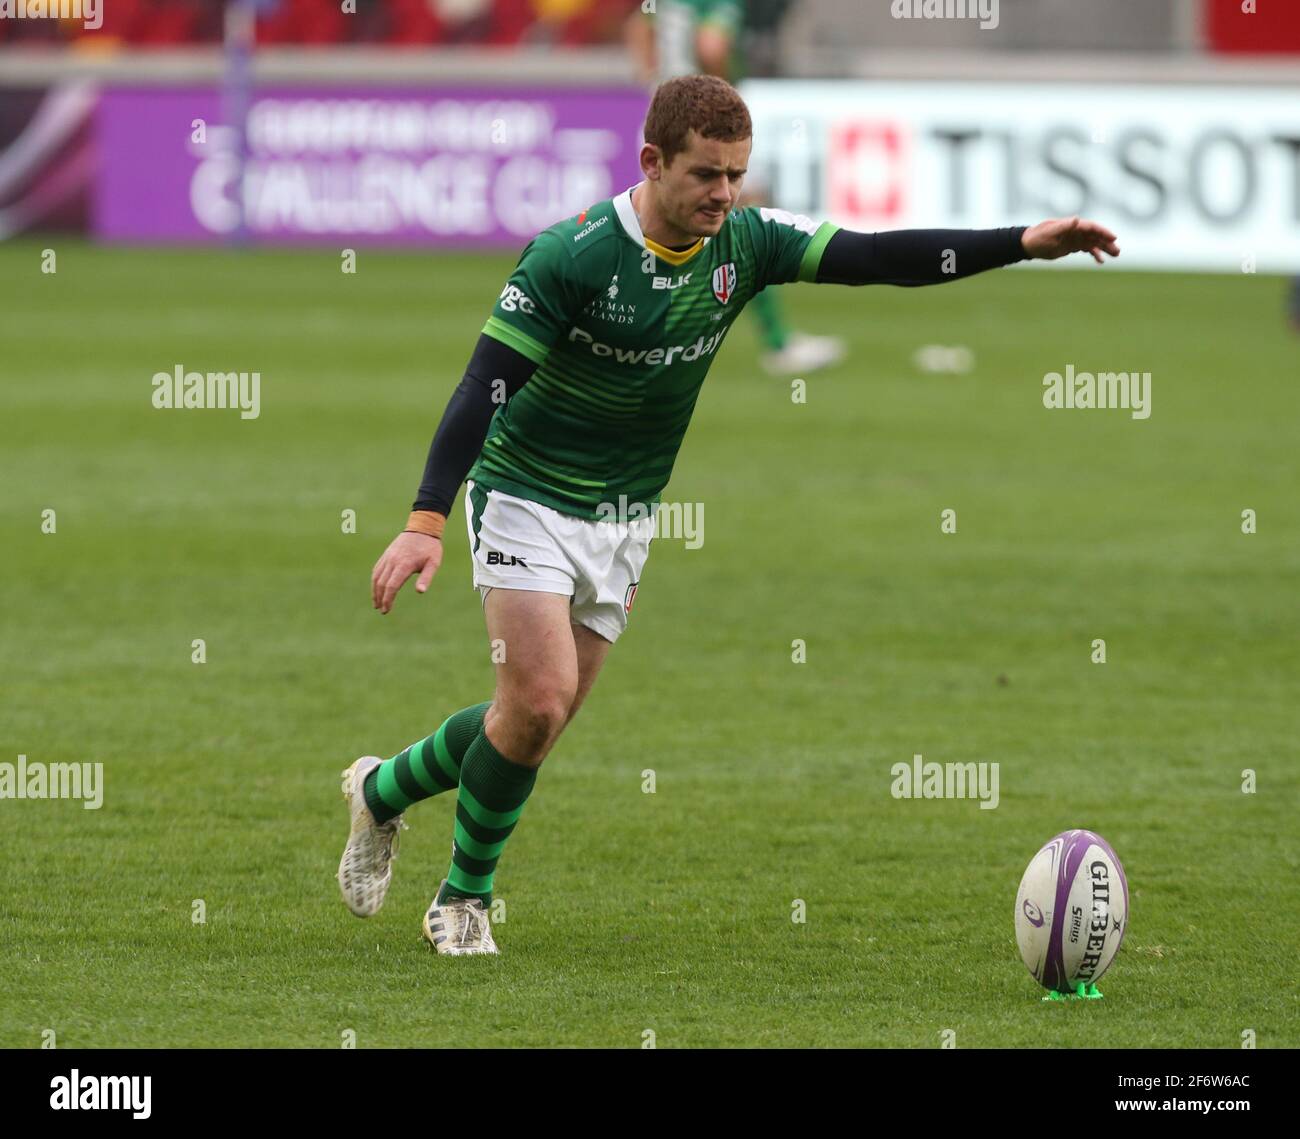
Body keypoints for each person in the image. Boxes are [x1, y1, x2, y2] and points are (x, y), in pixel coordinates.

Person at [341, 75, 1120, 955]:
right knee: (540, 699)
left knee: (530, 721)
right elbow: (484, 382)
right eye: (706, 174)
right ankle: (462, 901)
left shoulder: (745, 242)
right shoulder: (572, 253)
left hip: (627, 515)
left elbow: (878, 257)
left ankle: (381, 791)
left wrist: (1023, 241)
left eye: (737, 174)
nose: (724, 194)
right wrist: (426, 518)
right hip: (526, 491)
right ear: (652, 162)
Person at [625, 0, 845, 375]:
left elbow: (636, 26)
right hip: (706, 130)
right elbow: (713, 46)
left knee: (660, 235)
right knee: (748, 226)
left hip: (663, 121)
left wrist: (652, 79)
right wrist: (721, 97)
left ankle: (628, 338)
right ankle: (777, 343)